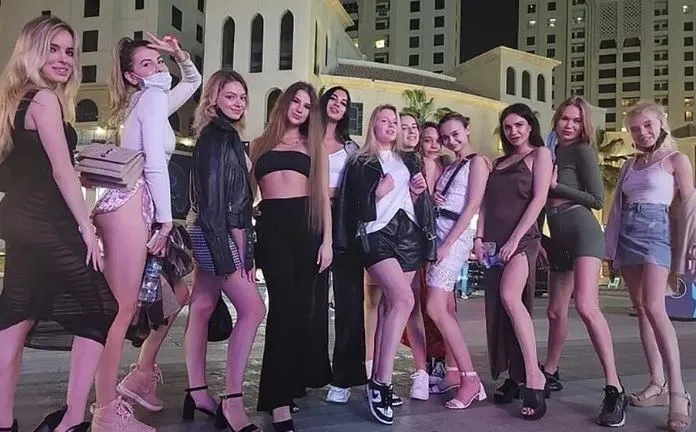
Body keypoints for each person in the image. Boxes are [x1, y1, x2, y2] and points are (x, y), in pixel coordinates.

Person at [0, 15, 117, 432]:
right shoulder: (45, 100)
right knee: (102, 307)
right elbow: (60, 171)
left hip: (20, 220)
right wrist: (86, 226)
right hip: (48, 222)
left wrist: (76, 173)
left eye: (69, 51)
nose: (64, 58)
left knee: (15, 321)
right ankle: (72, 419)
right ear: (32, 50)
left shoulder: (14, 100)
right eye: (53, 49)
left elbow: (27, 168)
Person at [90, 33, 201, 430]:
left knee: (176, 293)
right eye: (147, 64)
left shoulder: (149, 98)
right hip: (134, 205)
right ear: (132, 76)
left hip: (136, 204)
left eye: (158, 61)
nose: (158, 68)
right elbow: (154, 162)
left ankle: (139, 377)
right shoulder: (151, 99)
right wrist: (166, 220)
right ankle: (106, 411)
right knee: (119, 311)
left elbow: (192, 82)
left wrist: (179, 55)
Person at [335, 104, 436, 425]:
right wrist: (376, 193)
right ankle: (381, 381)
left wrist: (418, 194)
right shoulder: (361, 161)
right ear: (373, 125)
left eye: (395, 121)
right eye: (384, 120)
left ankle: (376, 379)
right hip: (376, 235)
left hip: (409, 235)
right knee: (404, 300)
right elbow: (351, 208)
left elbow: (418, 203)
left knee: (389, 307)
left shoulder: (409, 160)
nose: (392, 125)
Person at [183, 69, 266, 432]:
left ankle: (197, 392)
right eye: (230, 96)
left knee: (202, 306)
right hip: (219, 236)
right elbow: (224, 207)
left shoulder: (212, 135)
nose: (238, 103)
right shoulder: (223, 137)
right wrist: (243, 254)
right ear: (213, 98)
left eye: (242, 97)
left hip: (206, 232)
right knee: (254, 309)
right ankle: (232, 401)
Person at [539, 97, 627, 426]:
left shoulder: (583, 151)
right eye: (565, 118)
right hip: (556, 235)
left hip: (583, 232)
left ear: (584, 124)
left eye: (576, 121)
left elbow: (597, 199)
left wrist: (557, 185)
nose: (569, 125)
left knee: (587, 306)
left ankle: (614, 386)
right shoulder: (547, 150)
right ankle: (550, 370)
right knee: (554, 311)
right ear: (557, 119)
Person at [605, 101, 693, 432]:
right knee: (641, 309)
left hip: (658, 234)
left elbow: (690, 204)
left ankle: (678, 392)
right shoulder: (630, 165)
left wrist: (693, 243)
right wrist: (611, 247)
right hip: (628, 233)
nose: (641, 132)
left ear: (661, 124)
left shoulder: (676, 160)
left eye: (647, 125)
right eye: (635, 128)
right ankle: (656, 384)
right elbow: (617, 207)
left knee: (655, 307)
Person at [251, 82, 332, 432]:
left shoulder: (314, 147)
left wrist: (328, 242)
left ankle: (287, 385)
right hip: (272, 229)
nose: (300, 108)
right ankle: (279, 401)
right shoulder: (258, 145)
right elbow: (246, 196)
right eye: (295, 101)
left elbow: (323, 198)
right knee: (282, 309)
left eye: (307, 105)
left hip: (306, 228)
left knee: (299, 311)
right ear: (284, 103)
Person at [474, 103, 552, 420]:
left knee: (510, 297)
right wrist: (478, 238)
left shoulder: (540, 155)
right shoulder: (497, 163)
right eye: (507, 127)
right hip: (493, 243)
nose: (513, 131)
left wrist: (515, 239)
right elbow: (484, 203)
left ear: (530, 126)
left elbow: (539, 199)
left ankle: (534, 375)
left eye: (519, 125)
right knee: (500, 310)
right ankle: (514, 376)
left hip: (523, 239)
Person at [425, 113, 489, 410]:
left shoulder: (478, 162)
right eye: (445, 137)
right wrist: (438, 198)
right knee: (447, 307)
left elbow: (474, 205)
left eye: (455, 134)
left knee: (435, 307)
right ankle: (452, 372)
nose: (451, 141)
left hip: (454, 236)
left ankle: (470, 379)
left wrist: (448, 244)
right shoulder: (452, 165)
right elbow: (452, 197)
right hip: (439, 231)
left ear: (467, 130)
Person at [317, 86, 367, 404]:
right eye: (333, 99)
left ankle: (344, 377)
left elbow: (362, 189)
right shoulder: (306, 141)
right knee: (310, 303)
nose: (338, 104)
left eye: (344, 102)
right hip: (310, 221)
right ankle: (308, 372)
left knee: (349, 302)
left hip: (345, 225)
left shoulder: (352, 149)